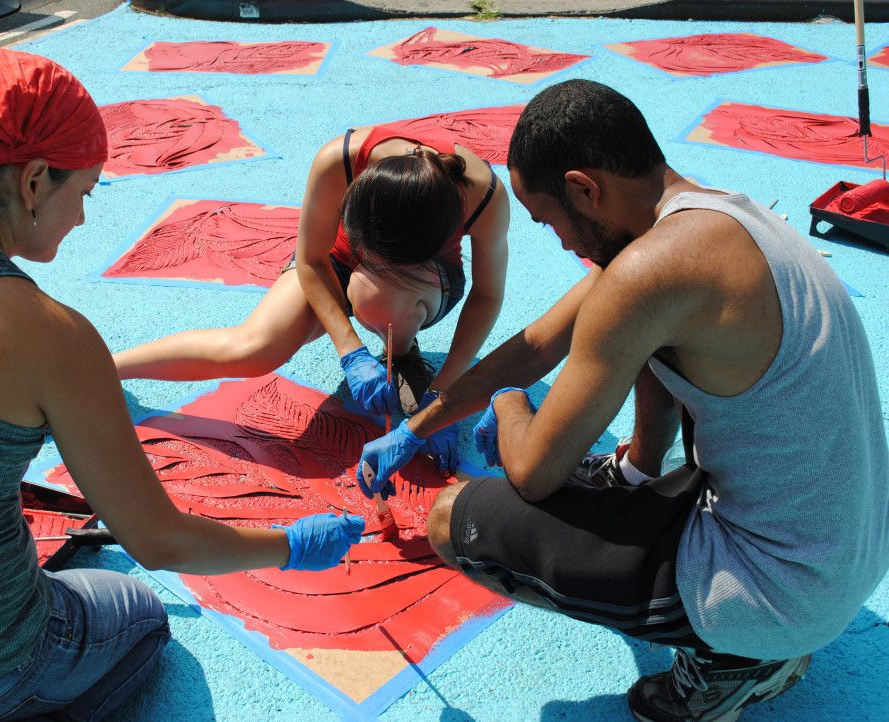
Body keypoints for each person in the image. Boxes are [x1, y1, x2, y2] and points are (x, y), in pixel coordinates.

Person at [0, 48, 363, 722]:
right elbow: (161, 542)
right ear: (35, 180)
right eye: (87, 191)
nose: (82, 218)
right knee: (140, 616)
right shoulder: (52, 337)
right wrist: (291, 546)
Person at [357, 79, 889, 721]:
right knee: (643, 380)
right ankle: (642, 477)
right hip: (846, 555)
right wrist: (419, 425)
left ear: (585, 188)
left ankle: (736, 662)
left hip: (778, 591)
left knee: (452, 519)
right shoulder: (719, 216)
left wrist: (506, 405)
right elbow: (536, 345)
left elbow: (531, 469)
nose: (559, 242)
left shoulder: (645, 275)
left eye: (548, 219)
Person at [113, 121, 510, 473]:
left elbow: (487, 294)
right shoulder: (339, 160)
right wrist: (350, 349)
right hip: (327, 261)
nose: (370, 270)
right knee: (255, 348)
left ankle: (401, 351)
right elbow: (311, 259)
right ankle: (107, 367)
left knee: (379, 296)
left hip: (422, 287)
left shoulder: (483, 194)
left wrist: (445, 393)